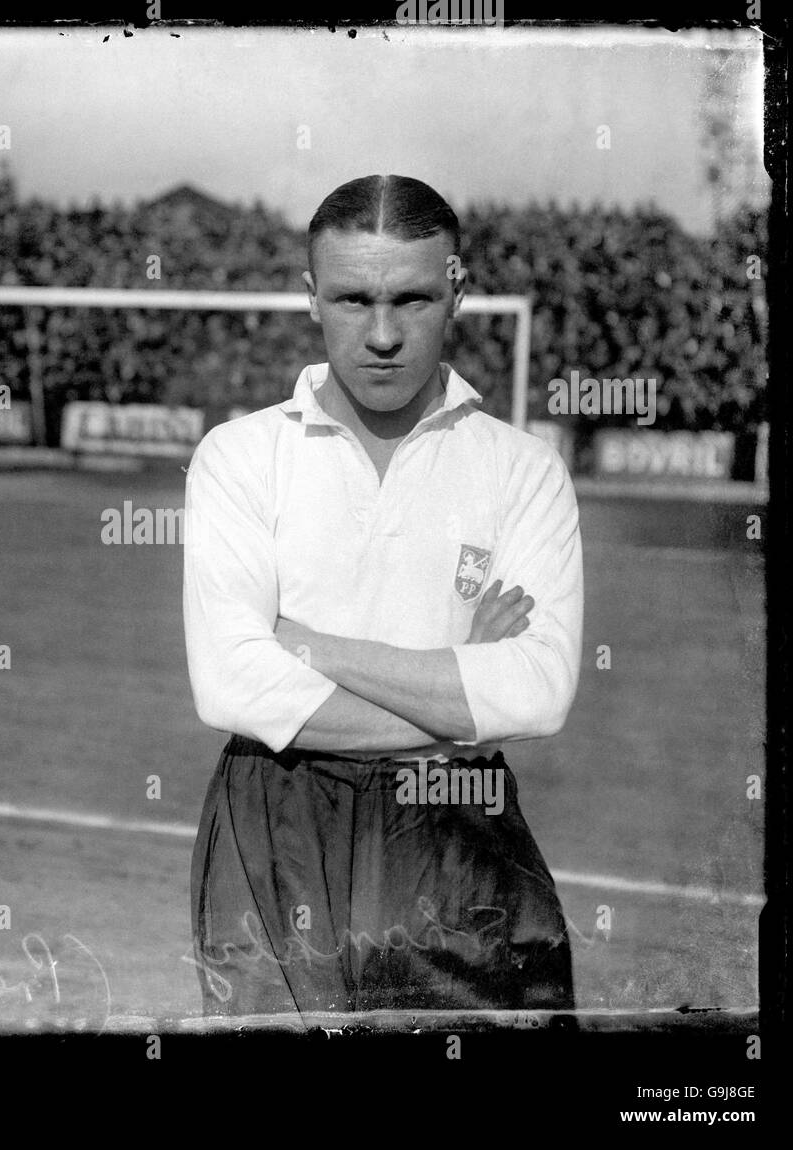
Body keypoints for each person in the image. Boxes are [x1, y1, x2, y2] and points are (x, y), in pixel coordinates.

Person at [182, 175, 583, 1019]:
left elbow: (538, 695)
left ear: (459, 291)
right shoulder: (240, 457)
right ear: (310, 297)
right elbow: (230, 682)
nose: (384, 335)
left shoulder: (523, 471)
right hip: (276, 814)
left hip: (456, 815)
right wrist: (466, 690)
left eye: (413, 298)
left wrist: (307, 644)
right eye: (353, 300)